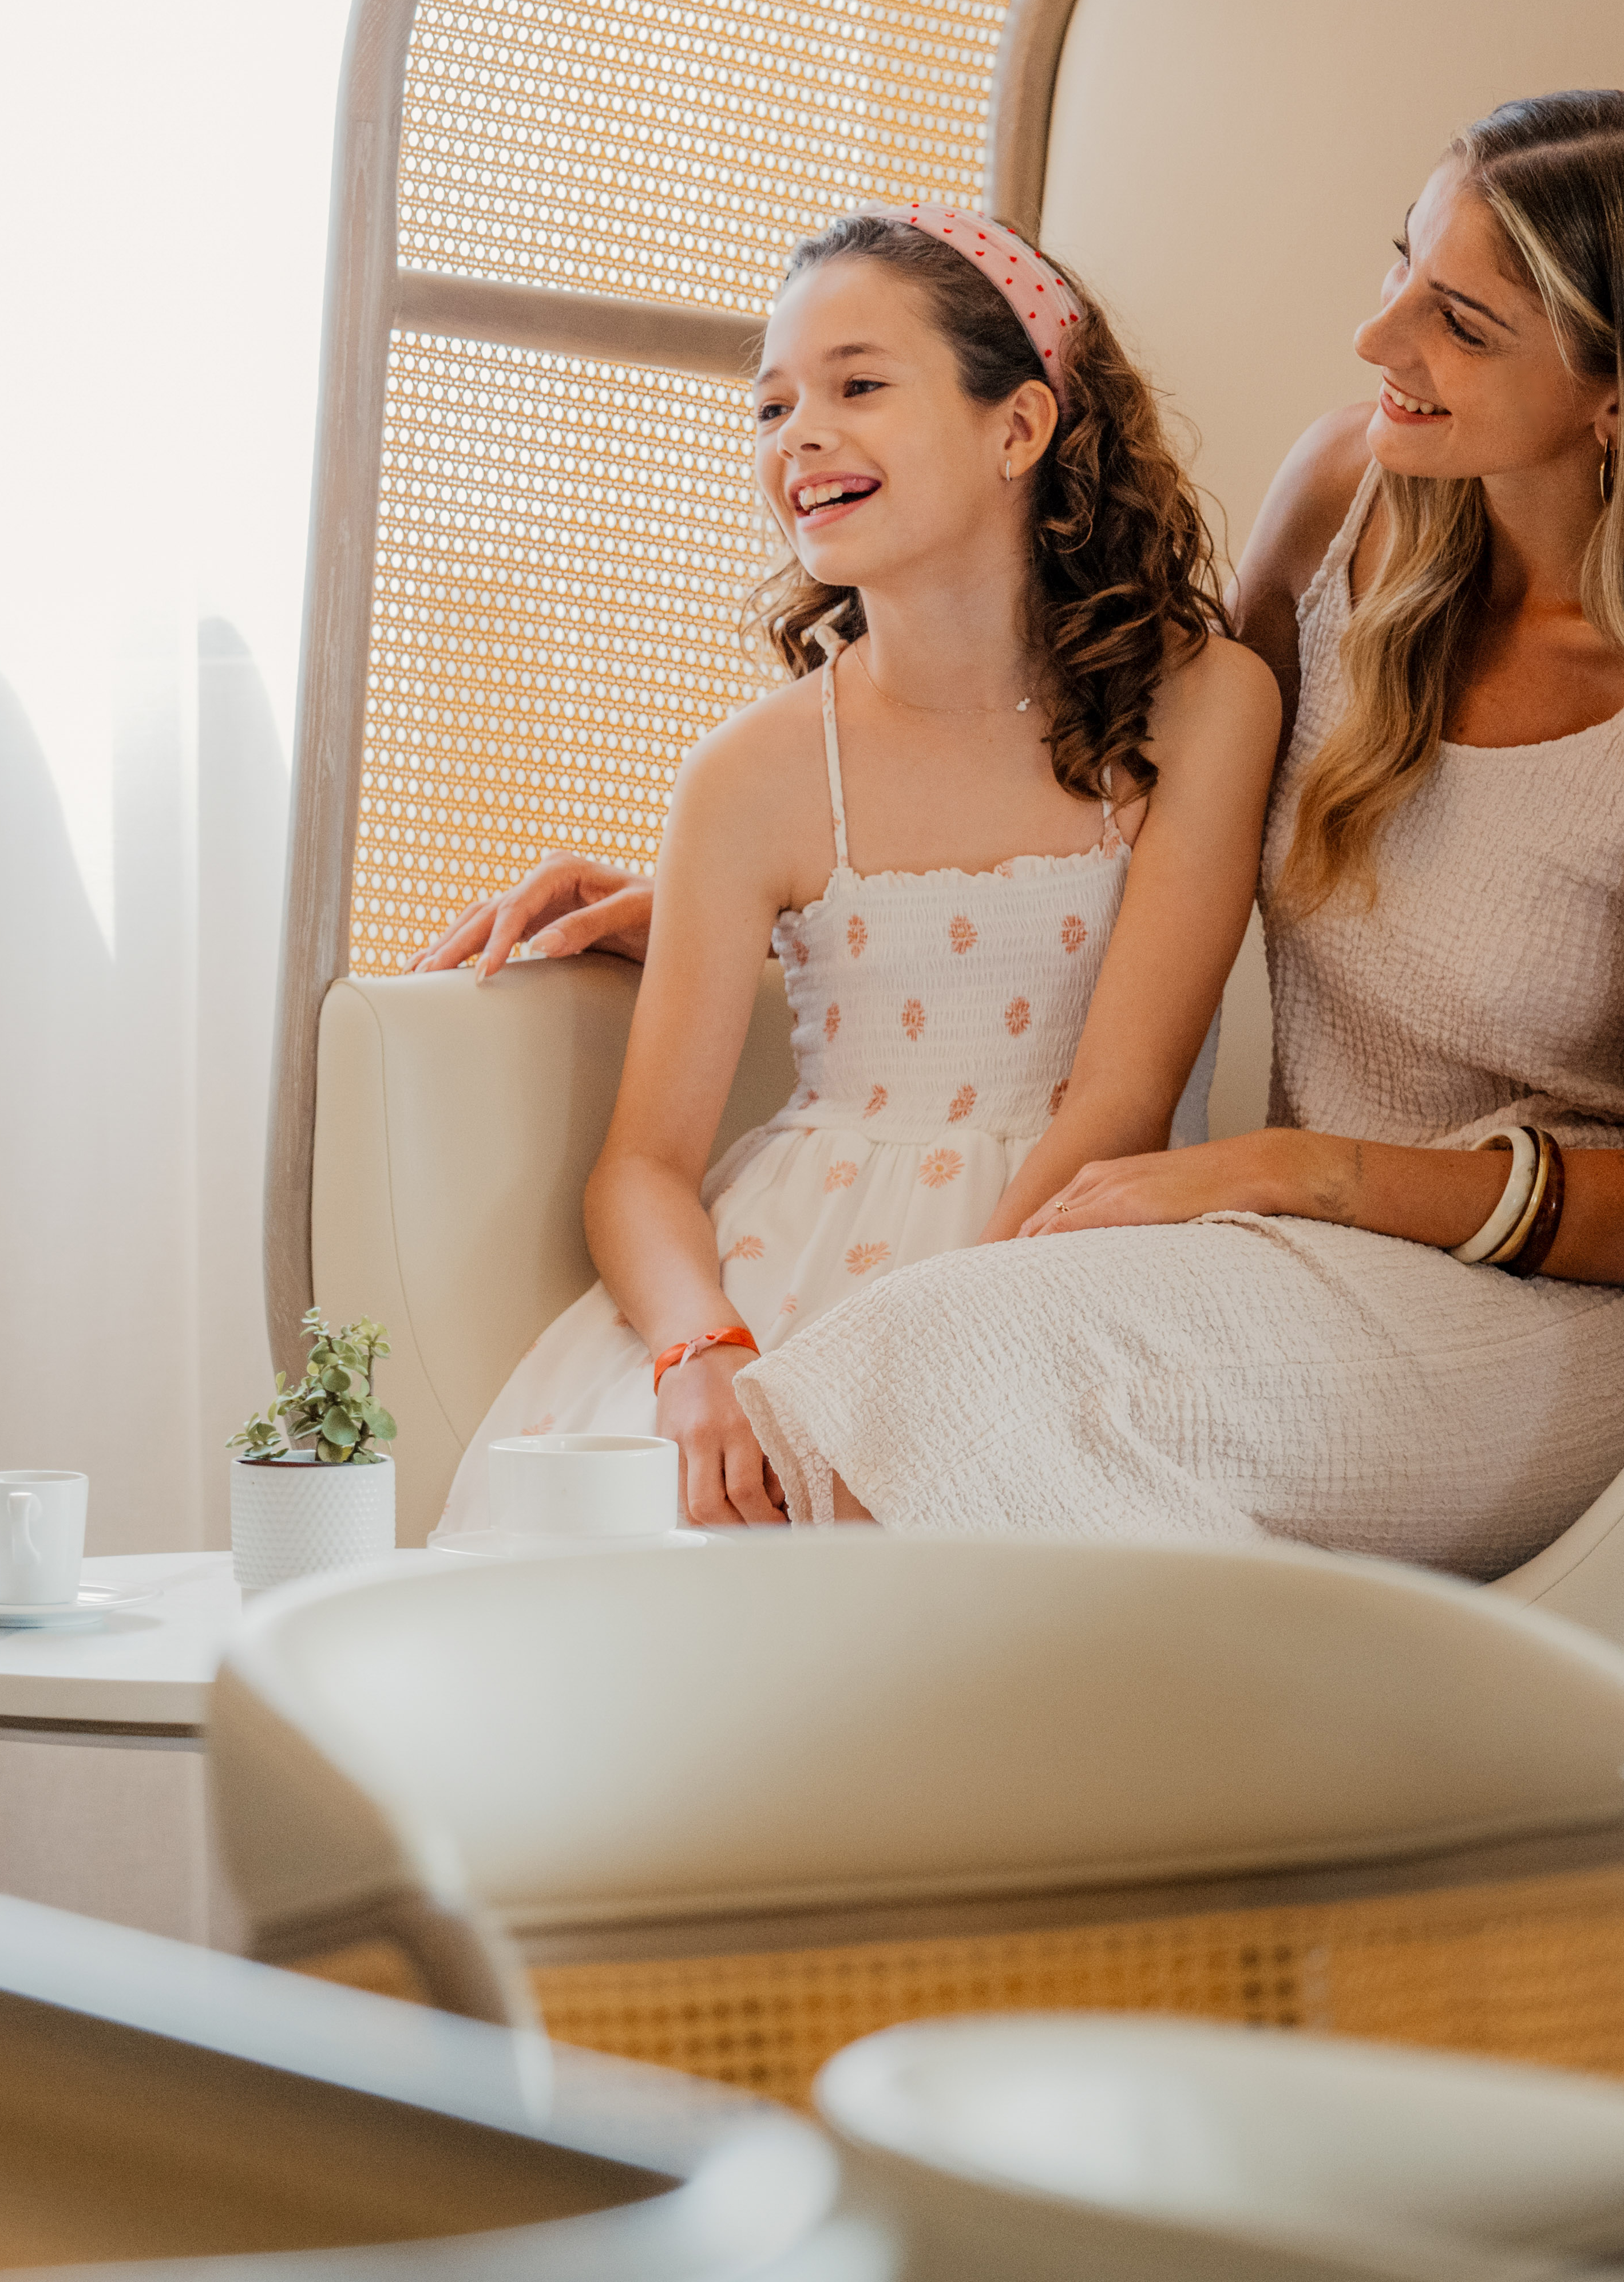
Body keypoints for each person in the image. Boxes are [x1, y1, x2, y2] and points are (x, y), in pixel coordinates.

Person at [429, 94, 1624, 1565]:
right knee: (917, 1406)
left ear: (1622, 393)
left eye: (1463, 322)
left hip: (1560, 1311)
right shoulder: (1348, 501)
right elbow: (1140, 782)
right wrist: (773, 892)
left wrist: (1294, 1167)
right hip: (1295, 1258)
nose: (1380, 343)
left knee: (951, 1387)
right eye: (1398, 269)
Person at [440, 205, 1278, 1534]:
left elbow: (1121, 1101)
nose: (799, 437)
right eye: (772, 407)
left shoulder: (1205, 705)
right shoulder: (748, 773)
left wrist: (921, 1375)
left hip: (1058, 1266)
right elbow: (643, 1165)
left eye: (859, 386)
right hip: (785, 1278)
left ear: (1021, 428)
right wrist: (700, 1356)